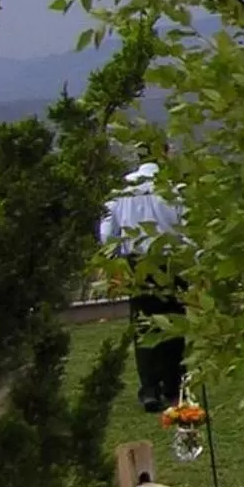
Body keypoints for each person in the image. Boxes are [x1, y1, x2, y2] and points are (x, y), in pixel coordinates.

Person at [100, 160, 186, 412]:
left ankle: (150, 389)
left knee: (144, 326)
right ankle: (174, 387)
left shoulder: (120, 195)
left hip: (136, 263)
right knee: (175, 323)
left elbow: (106, 236)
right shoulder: (173, 190)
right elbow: (188, 230)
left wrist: (117, 257)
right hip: (171, 262)